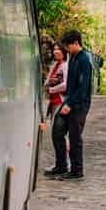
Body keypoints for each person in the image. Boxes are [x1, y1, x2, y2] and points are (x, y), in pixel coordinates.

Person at [55, 30, 94, 181]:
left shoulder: (84, 59)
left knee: (75, 137)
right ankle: (61, 165)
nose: (66, 49)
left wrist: (70, 103)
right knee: (57, 132)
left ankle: (77, 170)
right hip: (69, 100)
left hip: (79, 104)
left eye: (68, 46)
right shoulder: (73, 57)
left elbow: (83, 87)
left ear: (76, 43)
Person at [43, 43, 69, 177]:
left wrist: (52, 89)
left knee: (58, 134)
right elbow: (47, 81)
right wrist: (49, 83)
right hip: (52, 102)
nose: (56, 51)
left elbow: (66, 84)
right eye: (54, 49)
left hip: (60, 102)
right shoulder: (55, 65)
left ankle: (63, 164)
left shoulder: (65, 66)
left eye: (59, 49)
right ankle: (60, 163)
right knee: (55, 134)